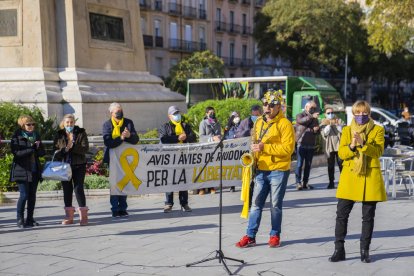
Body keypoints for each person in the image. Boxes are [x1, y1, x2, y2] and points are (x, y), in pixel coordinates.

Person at [235, 90, 295, 248]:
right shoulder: (259, 122)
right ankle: (250, 235)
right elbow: (255, 142)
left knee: (275, 205)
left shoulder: (286, 124)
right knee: (255, 204)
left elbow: (288, 149)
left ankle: (275, 235)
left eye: (271, 105)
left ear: (278, 107)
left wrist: (264, 147)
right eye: (265, 104)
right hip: (261, 169)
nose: (267, 108)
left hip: (279, 170)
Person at [329, 100, 386, 263]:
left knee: (368, 217)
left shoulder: (378, 130)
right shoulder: (347, 130)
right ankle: (339, 250)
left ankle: (364, 251)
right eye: (357, 113)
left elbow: (378, 152)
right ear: (353, 114)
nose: (361, 116)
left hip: (369, 176)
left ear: (369, 113)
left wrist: (363, 144)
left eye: (364, 112)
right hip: (350, 176)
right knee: (341, 215)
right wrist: (352, 146)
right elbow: (341, 154)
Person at [103, 102, 139, 218]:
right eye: (117, 112)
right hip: (112, 159)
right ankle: (115, 209)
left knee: (124, 183)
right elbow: (108, 142)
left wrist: (129, 136)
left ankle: (123, 208)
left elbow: (135, 139)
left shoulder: (128, 122)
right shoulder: (107, 125)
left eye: (121, 110)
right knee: (114, 185)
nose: (120, 113)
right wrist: (121, 138)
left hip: (125, 158)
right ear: (111, 113)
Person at [10, 115, 45, 228]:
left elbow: (42, 153)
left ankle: (30, 219)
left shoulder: (36, 135)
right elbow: (17, 154)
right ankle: (20, 219)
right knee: (24, 195)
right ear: (22, 125)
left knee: (32, 196)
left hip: (34, 169)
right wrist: (31, 148)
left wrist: (38, 148)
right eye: (28, 124)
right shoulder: (17, 136)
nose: (31, 126)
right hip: (22, 169)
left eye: (32, 124)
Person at [54, 114, 89, 226]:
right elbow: (56, 151)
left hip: (79, 165)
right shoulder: (59, 134)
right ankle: (69, 217)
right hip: (64, 166)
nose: (69, 124)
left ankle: (83, 217)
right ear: (63, 123)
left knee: (78, 188)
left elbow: (85, 149)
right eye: (67, 122)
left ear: (74, 123)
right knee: (67, 190)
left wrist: (73, 147)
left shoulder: (81, 133)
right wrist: (65, 149)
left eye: (71, 122)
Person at [159, 106, 196, 213]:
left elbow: (193, 137)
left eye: (178, 113)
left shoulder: (185, 126)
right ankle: (168, 204)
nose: (177, 115)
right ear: (169, 116)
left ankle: (184, 203)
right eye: (175, 113)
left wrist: (186, 137)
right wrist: (177, 138)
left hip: (184, 157)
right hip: (170, 158)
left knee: (183, 180)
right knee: (169, 180)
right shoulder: (165, 127)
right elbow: (163, 139)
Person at [235, 105, 263, 202]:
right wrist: (248, 131)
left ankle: (257, 198)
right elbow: (238, 134)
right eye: (253, 114)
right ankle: (249, 200)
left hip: (260, 155)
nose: (255, 115)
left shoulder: (264, 122)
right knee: (249, 179)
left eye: (257, 114)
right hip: (248, 154)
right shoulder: (245, 122)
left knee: (258, 179)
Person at [295, 101, 320, 190]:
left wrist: (316, 130)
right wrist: (311, 116)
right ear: (306, 107)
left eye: (314, 108)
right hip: (301, 143)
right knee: (299, 164)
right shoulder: (300, 115)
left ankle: (305, 183)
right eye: (312, 108)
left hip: (311, 144)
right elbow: (301, 121)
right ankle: (298, 183)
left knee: (308, 165)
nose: (313, 109)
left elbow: (317, 132)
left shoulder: (315, 118)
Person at [198, 106, 222, 195]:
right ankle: (202, 188)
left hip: (214, 148)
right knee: (204, 168)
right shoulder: (203, 123)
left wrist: (219, 137)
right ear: (206, 114)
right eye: (210, 113)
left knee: (212, 168)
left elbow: (219, 134)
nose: (212, 114)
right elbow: (201, 137)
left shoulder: (217, 123)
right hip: (205, 148)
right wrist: (212, 138)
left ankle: (211, 187)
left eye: (213, 112)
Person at [320, 107, 344, 189]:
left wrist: (338, 126)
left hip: (339, 146)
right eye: (328, 113)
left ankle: (343, 182)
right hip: (329, 146)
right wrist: (328, 126)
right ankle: (331, 182)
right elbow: (324, 133)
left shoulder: (339, 120)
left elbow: (344, 131)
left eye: (331, 112)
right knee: (330, 165)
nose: (330, 114)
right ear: (325, 114)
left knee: (341, 164)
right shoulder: (323, 122)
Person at [223, 111, 241, 192]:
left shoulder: (241, 125)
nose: (236, 118)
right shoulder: (229, 127)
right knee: (232, 168)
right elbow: (226, 136)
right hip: (231, 150)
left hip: (240, 149)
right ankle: (232, 186)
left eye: (237, 116)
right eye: (234, 117)